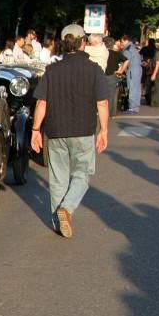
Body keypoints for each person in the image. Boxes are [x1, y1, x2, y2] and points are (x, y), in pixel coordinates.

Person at [29, 24, 109, 239]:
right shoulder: (93, 70)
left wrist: (36, 129)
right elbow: (102, 102)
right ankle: (68, 208)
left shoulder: (52, 70)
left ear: (63, 44)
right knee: (82, 173)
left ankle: (58, 222)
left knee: (58, 178)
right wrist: (104, 130)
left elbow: (42, 103)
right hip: (83, 130)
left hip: (55, 131)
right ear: (83, 43)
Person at [121, 35, 142, 114]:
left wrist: (121, 70)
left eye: (122, 41)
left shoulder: (128, 49)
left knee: (132, 88)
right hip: (138, 69)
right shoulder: (134, 47)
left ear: (126, 40)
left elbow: (126, 61)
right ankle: (136, 106)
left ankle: (132, 108)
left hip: (132, 69)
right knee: (137, 88)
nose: (121, 43)